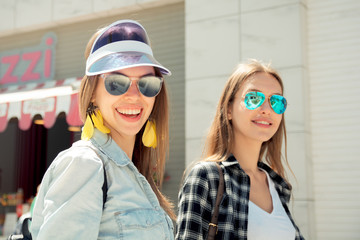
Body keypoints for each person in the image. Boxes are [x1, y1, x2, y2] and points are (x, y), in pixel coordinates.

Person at [31, 19, 175, 239]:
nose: (135, 96)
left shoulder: (135, 173)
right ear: (92, 95)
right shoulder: (85, 164)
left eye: (147, 83)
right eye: (116, 83)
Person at [175, 60, 304, 240]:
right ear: (228, 109)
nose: (267, 109)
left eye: (276, 101)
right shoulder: (207, 177)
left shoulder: (277, 185)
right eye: (253, 98)